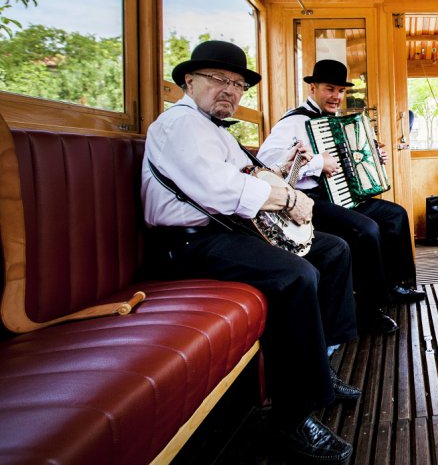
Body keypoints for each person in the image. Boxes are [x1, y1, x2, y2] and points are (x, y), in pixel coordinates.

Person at [141, 41, 359, 464]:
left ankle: (320, 364)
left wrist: (285, 172)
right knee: (296, 276)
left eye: (238, 85)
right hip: (188, 244)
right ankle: (292, 418)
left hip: (226, 231)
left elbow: (251, 174)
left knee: (331, 249)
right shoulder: (179, 124)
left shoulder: (215, 130)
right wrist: (289, 199)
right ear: (189, 81)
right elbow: (218, 188)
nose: (230, 90)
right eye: (218, 79)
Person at [258, 59, 425, 336]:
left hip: (342, 195)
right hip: (309, 199)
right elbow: (267, 163)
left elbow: (354, 160)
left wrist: (374, 158)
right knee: (366, 230)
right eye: (329, 88)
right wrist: (316, 164)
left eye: (341, 90)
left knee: (396, 215)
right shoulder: (294, 122)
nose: (336, 96)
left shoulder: (338, 122)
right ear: (313, 88)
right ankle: (367, 311)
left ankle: (392, 286)